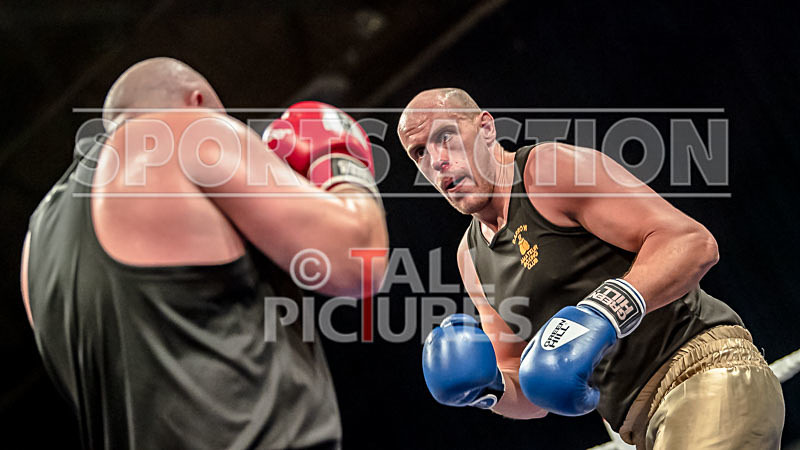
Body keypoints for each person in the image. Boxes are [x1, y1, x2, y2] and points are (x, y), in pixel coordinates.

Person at [21, 57, 388, 449]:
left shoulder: (34, 249)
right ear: (197, 102)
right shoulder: (186, 133)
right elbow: (359, 259)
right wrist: (339, 163)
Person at [397, 88, 784, 448]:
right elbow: (530, 390)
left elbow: (691, 243)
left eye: (444, 137)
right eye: (419, 153)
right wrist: (489, 389)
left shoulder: (546, 172)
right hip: (642, 427)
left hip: (703, 374)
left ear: (485, 128)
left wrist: (602, 313)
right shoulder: (470, 255)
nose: (437, 160)